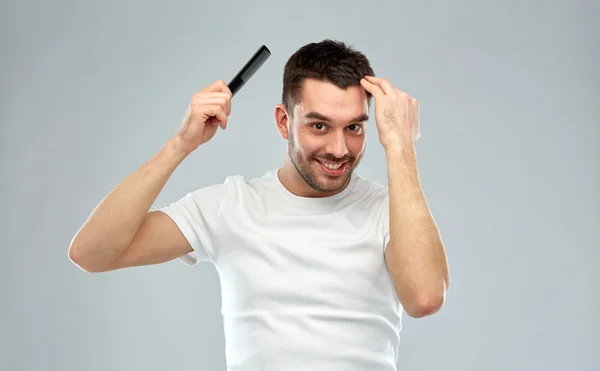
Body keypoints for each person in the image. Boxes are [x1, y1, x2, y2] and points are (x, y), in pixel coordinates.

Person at [69, 39, 450, 371]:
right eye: (319, 126)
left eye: (354, 127)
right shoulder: (231, 206)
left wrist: (400, 145)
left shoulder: (393, 211)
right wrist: (180, 144)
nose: (339, 149)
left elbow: (425, 298)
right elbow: (92, 253)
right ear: (284, 122)